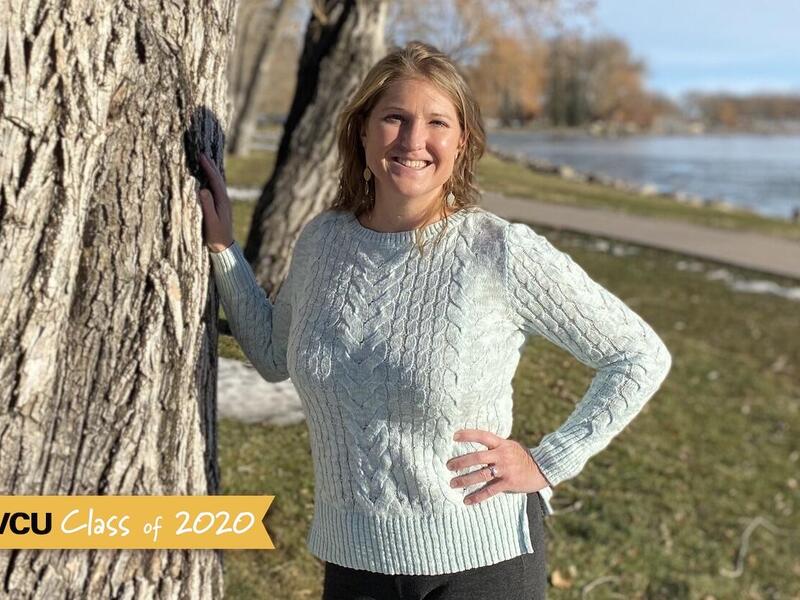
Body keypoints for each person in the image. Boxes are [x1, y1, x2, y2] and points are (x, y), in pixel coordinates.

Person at [197, 41, 672, 600]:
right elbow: (275, 358)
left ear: (461, 142)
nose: (412, 141)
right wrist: (224, 250)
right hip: (354, 563)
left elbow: (638, 355)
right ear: (363, 131)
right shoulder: (322, 241)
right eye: (394, 117)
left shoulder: (498, 251)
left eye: (437, 122)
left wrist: (547, 462)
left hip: (481, 562)